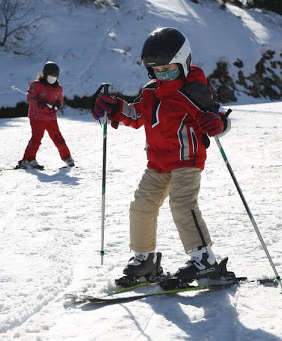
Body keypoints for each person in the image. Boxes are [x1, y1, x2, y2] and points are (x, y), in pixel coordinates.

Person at [92, 27, 231, 282]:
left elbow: (217, 113)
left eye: (170, 69)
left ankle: (204, 260)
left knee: (182, 204)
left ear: (185, 62)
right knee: (141, 206)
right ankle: (145, 260)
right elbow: (136, 115)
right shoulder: (149, 92)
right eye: (158, 71)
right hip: (157, 162)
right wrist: (114, 106)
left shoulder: (193, 89)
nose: (164, 75)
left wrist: (218, 123)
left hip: (187, 160)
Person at [18, 61, 74, 169]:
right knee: (36, 138)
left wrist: (57, 105)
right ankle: (28, 160)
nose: (52, 77)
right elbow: (30, 98)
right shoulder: (36, 85)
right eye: (50, 75)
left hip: (51, 118)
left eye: (55, 76)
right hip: (36, 117)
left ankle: (67, 158)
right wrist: (40, 103)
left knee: (58, 138)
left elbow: (60, 101)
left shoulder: (58, 88)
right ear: (45, 74)